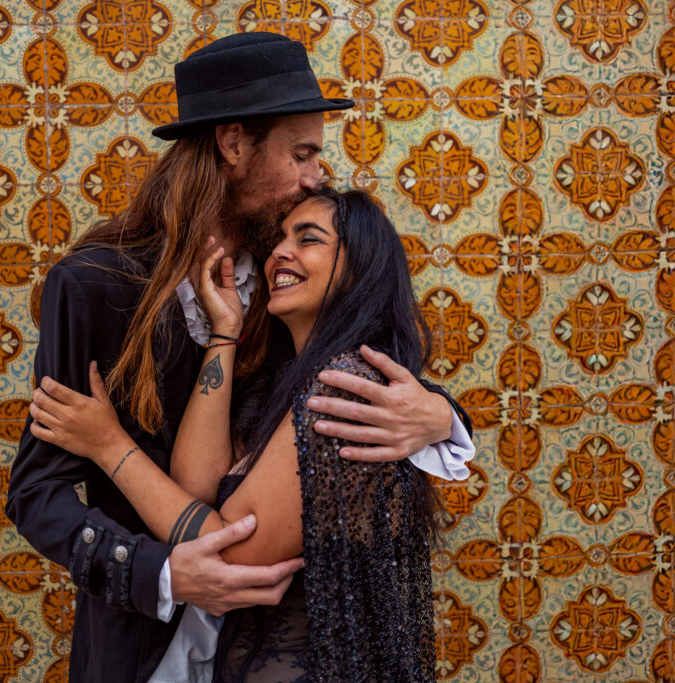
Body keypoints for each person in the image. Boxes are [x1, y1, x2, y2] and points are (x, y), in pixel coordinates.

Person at [5, 32, 473, 683]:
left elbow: (351, 376)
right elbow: (35, 494)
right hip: (143, 650)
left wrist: (436, 414)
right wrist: (161, 572)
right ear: (233, 145)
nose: (318, 174)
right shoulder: (95, 285)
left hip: (274, 645)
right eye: (302, 152)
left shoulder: (291, 279)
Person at [28, 188, 453, 681]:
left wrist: (108, 445)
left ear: (360, 269)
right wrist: (224, 333)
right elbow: (195, 487)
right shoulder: (290, 378)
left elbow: (228, 554)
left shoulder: (346, 386)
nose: (279, 252)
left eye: (308, 239)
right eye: (280, 239)